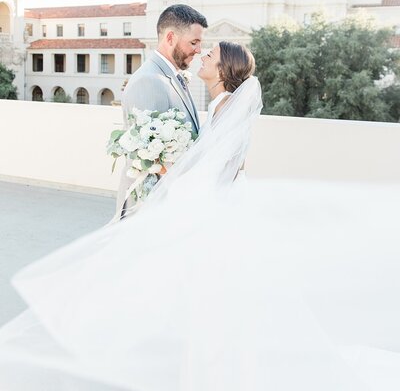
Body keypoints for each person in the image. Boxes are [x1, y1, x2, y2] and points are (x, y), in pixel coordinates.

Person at [1, 43, 400, 390]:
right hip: (215, 202)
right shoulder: (221, 103)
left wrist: (169, 176)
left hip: (214, 207)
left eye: (210, 55)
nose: (203, 56)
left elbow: (223, 167)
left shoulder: (225, 105)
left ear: (223, 70)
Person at [114, 3, 208, 221]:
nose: (198, 50)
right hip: (150, 206)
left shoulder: (171, 76)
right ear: (170, 38)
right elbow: (148, 158)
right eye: (193, 42)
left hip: (170, 202)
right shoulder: (149, 81)